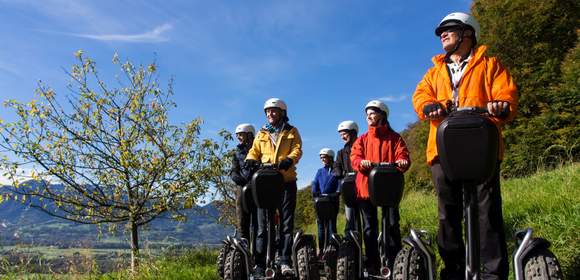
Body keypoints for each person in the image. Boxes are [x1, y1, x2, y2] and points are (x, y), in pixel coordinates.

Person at [412, 12, 517, 280]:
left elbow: (506, 94)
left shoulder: (490, 65)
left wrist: (500, 104)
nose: (442, 34)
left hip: (481, 146)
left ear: (467, 33)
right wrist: (428, 106)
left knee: (487, 212)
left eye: (449, 29)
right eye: (441, 31)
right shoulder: (434, 72)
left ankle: (493, 274)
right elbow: (420, 96)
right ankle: (454, 271)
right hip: (443, 149)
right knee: (448, 214)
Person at [350, 100, 410, 274]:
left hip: (388, 188)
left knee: (392, 225)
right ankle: (373, 265)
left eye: (373, 112)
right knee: (369, 227)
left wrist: (403, 162)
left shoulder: (395, 138)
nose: (369, 116)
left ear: (382, 115)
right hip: (366, 187)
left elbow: (403, 155)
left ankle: (395, 263)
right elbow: (355, 158)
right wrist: (362, 162)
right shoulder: (362, 139)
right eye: (367, 113)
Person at [245, 98, 302, 277]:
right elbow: (254, 150)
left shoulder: (292, 131)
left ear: (282, 113)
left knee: (285, 224)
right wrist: (250, 159)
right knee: (262, 226)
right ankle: (260, 265)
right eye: (268, 111)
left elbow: (298, 149)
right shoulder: (262, 133)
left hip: (285, 181)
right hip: (265, 182)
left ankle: (285, 261)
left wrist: (289, 160)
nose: (270, 114)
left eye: (273, 111)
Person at [230, 123, 258, 245]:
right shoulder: (236, 153)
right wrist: (241, 180)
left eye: (241, 135)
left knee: (259, 222)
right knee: (242, 220)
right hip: (242, 189)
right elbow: (233, 172)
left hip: (257, 189)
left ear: (250, 135)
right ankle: (244, 249)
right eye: (238, 135)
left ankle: (259, 253)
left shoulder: (259, 151)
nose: (239, 138)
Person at [332, 120, 360, 234]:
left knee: (366, 217)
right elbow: (336, 166)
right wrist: (340, 173)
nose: (342, 137)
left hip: (362, 186)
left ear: (353, 132)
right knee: (350, 218)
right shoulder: (341, 152)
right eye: (341, 135)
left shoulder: (362, 146)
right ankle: (350, 243)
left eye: (344, 134)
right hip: (348, 187)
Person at [312, 148, 339, 255]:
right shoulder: (320, 171)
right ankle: (322, 249)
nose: (322, 159)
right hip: (320, 202)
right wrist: (315, 193)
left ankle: (332, 248)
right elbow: (315, 184)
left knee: (332, 224)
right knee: (321, 225)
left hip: (332, 201)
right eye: (321, 157)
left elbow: (339, 184)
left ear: (331, 158)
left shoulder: (336, 171)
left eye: (325, 157)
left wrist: (337, 192)